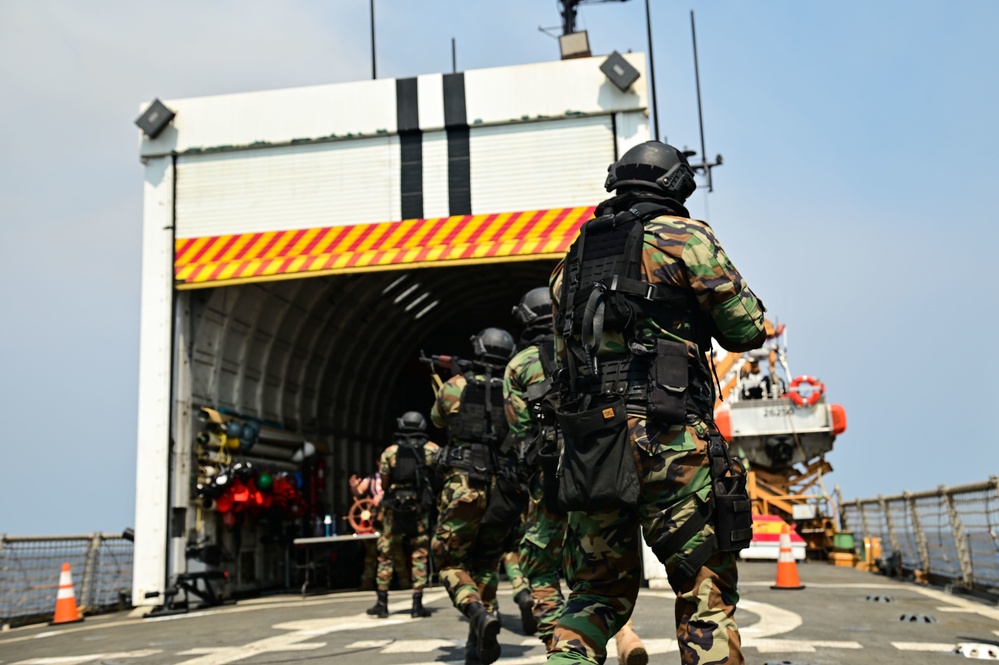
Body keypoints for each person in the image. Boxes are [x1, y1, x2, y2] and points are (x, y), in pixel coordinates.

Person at [547, 141, 767, 665]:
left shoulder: (570, 262)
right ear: (676, 186)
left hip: (593, 445)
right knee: (703, 592)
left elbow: (564, 361)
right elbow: (747, 328)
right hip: (671, 438)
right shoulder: (685, 239)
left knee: (594, 596)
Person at [505, 287, 650, 664]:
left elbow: (519, 429)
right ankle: (626, 634)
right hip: (594, 464)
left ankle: (566, 648)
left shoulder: (519, 365)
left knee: (540, 568)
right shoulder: (585, 339)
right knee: (602, 566)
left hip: (548, 480)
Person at [431, 328, 520, 665]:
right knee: (486, 562)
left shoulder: (455, 386)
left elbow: (437, 418)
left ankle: (476, 613)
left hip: (463, 484)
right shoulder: (515, 389)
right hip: (502, 488)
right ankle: (477, 645)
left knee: (449, 561)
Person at [365, 411, 440, 619]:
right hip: (419, 509)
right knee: (420, 554)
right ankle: (417, 604)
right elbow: (439, 476)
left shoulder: (390, 452)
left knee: (386, 554)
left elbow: (385, 481)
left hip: (394, 509)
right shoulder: (431, 449)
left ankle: (382, 603)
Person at [350, 466, 410, 592]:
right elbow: (358, 493)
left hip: (389, 520)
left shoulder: (395, 479)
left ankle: (404, 581)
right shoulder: (370, 479)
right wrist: (354, 486)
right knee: (370, 554)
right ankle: (367, 583)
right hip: (372, 521)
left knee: (396, 550)